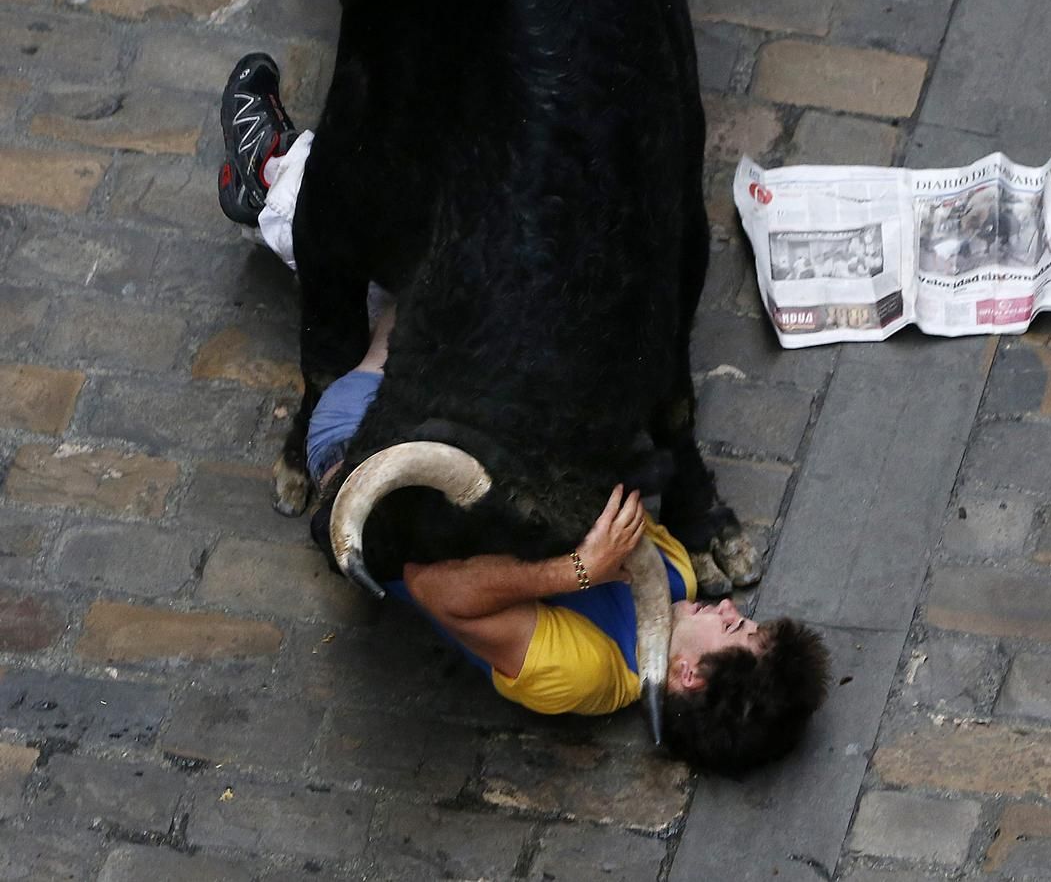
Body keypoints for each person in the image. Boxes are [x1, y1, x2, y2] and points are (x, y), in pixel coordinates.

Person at [217, 53, 831, 773]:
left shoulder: (584, 674)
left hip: (376, 446)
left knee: (441, 230)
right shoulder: (676, 578)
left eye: (740, 632)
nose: (733, 610)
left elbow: (429, 583)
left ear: (691, 676)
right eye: (746, 618)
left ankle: (274, 176)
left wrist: (577, 569)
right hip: (487, 406)